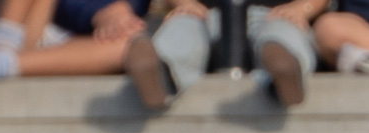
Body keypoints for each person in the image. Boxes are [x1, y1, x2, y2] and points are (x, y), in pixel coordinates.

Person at [124, 0, 323, 110]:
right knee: (181, 30)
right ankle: (158, 71)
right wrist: (184, 3)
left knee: (284, 35)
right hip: (201, 12)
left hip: (275, 13)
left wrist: (302, 8)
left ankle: (284, 74)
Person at [0, 0, 149, 101]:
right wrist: (100, 12)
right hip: (19, 22)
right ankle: (0, 49)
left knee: (130, 46)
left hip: (81, 43)